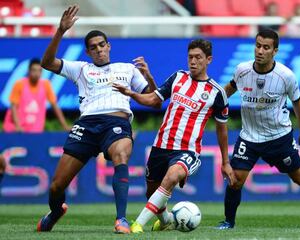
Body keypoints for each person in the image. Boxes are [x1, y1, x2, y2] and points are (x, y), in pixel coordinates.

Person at [36, 5, 157, 234]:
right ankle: (55, 212)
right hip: (87, 125)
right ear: (88, 53)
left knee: (121, 154)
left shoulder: (128, 69)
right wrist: (61, 31)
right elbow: (47, 63)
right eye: (93, 48)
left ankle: (121, 219)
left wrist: (150, 79)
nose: (99, 50)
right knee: (56, 186)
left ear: (109, 46)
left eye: (102, 45)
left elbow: (153, 100)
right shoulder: (81, 69)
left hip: (117, 123)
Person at [215, 29, 300, 229]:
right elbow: (231, 87)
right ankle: (228, 222)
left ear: (275, 51)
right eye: (257, 45)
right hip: (249, 137)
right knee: (235, 180)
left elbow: (297, 102)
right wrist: (214, 100)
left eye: (266, 47)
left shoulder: (285, 76)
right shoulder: (242, 69)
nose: (260, 51)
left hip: (278, 137)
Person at [113, 39, 235, 233]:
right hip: (161, 146)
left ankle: (137, 224)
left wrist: (226, 161)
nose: (193, 62)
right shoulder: (177, 77)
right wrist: (132, 94)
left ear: (208, 60)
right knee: (152, 192)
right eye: (190, 57)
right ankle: (167, 219)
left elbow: (222, 129)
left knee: (171, 177)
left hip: (188, 150)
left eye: (198, 58)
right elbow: (153, 99)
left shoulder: (217, 93)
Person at [3, 58, 70, 133]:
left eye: (39, 71)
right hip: (16, 130)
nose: (37, 73)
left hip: (35, 131)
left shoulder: (46, 85)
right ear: (29, 71)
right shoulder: (19, 84)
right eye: (34, 70)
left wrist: (65, 126)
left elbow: (55, 106)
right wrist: (18, 126)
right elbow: (13, 107)